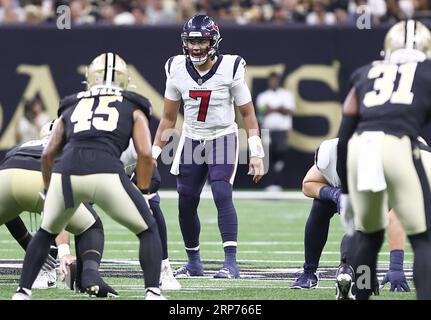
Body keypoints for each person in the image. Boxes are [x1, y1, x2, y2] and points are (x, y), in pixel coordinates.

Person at [12, 52, 164, 300]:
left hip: (67, 172)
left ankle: (22, 291)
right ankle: (153, 292)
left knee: (46, 231)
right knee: (147, 229)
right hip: (106, 170)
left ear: (90, 78)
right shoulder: (134, 103)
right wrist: (144, 192)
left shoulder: (71, 102)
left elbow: (49, 153)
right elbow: (145, 153)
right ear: (124, 79)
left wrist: (51, 189)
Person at [152, 14, 265, 279]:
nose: (196, 47)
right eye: (191, 41)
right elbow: (168, 118)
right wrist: (154, 152)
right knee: (185, 201)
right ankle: (194, 263)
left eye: (201, 41)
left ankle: (231, 263)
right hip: (192, 138)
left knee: (222, 193)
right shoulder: (176, 67)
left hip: (222, 136)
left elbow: (248, 115)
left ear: (213, 41)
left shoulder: (232, 67)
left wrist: (257, 153)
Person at [337, 20, 431, 300]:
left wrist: (345, 192)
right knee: (423, 238)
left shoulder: (365, 72)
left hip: (360, 150)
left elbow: (344, 137)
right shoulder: (426, 72)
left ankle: (360, 295)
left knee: (368, 235)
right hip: (398, 146)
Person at [1, 120, 117, 296]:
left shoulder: (26, 144)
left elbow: (10, 213)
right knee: (91, 225)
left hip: (7, 174)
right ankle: (91, 277)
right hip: (42, 177)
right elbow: (62, 207)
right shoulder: (76, 150)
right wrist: (64, 252)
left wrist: (27, 242)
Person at [290, 138, 410, 299]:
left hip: (378, 196)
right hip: (345, 193)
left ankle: (353, 272)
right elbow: (307, 184)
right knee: (320, 205)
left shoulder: (385, 164)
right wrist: (333, 194)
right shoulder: (330, 154)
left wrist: (396, 265)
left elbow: (394, 217)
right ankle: (309, 272)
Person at [121, 139, 182, 290]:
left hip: (128, 168)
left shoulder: (133, 143)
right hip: (95, 170)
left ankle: (163, 267)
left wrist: (142, 195)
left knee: (152, 207)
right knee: (77, 209)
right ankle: (68, 264)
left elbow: (155, 179)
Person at [256, 71, 295, 191]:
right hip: (267, 130)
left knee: (281, 153)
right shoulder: (263, 96)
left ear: (279, 81)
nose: (273, 82)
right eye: (271, 80)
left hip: (282, 130)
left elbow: (289, 111)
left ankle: (278, 183)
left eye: (275, 80)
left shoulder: (286, 95)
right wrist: (279, 108)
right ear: (269, 81)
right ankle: (269, 184)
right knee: (268, 156)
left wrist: (272, 108)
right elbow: (262, 111)